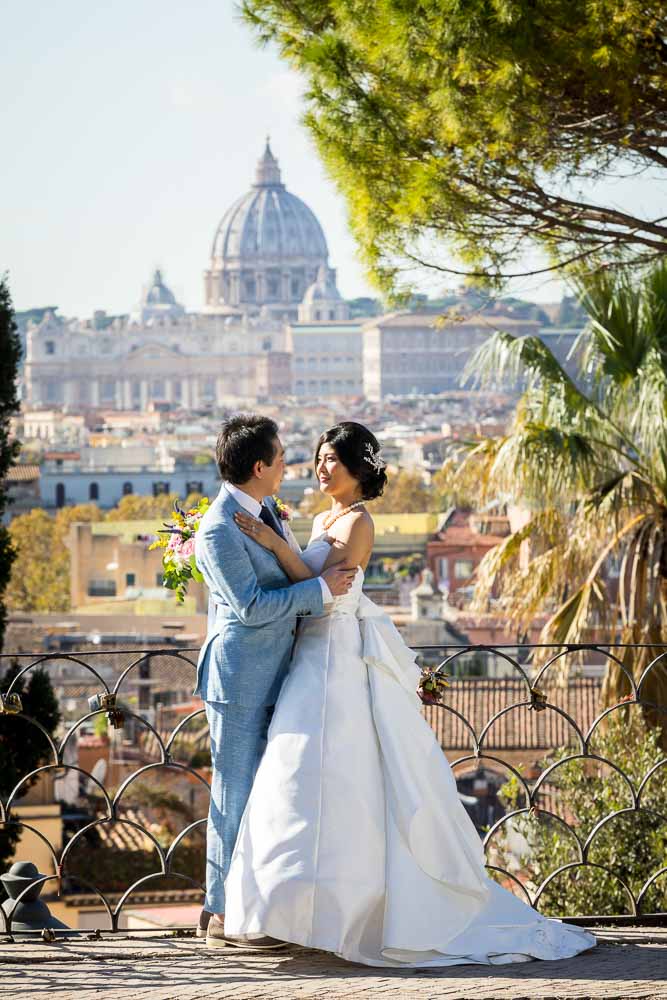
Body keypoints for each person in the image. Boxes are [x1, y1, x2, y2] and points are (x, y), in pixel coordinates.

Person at [222, 421, 597, 968]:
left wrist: (273, 541)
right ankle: (293, 912)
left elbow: (319, 586)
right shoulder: (326, 516)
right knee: (296, 778)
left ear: (357, 469)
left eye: (331, 459)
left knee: (330, 776)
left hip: (334, 658)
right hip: (311, 656)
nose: (321, 467)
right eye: (319, 458)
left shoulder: (358, 523)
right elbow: (309, 581)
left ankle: (338, 912)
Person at [193, 414, 358, 949]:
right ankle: (219, 915)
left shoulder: (266, 511)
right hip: (240, 678)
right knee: (234, 793)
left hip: (278, 673)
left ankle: (261, 908)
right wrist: (322, 593)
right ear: (260, 466)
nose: (291, 463)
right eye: (283, 456)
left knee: (270, 795)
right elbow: (250, 606)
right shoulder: (218, 527)